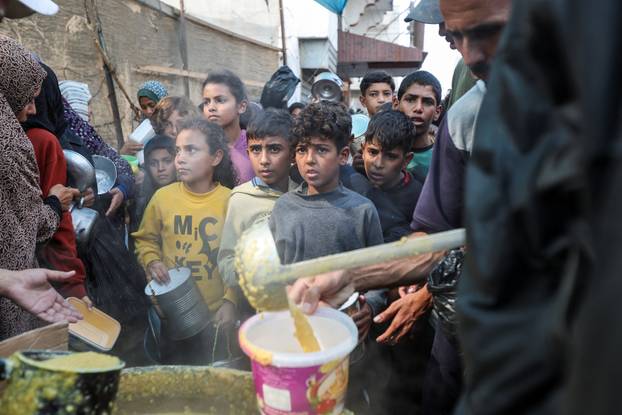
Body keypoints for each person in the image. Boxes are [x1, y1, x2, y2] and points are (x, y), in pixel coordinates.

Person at [289, 0, 511, 412]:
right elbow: (435, 240)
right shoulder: (469, 118)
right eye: (457, 35)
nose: (471, 54)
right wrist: (350, 277)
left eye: (488, 30)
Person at [0, 35, 80, 339]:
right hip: (10, 297)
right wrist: (54, 204)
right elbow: (27, 228)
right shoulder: (14, 146)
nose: (33, 109)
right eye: (27, 97)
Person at [133, 118, 238, 325]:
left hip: (217, 312)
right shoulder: (163, 198)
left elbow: (239, 259)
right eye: (178, 151)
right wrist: (152, 260)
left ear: (216, 157)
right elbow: (145, 240)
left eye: (191, 150)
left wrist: (230, 302)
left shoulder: (231, 201)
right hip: (172, 307)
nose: (180, 159)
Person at [268, 100, 383, 267]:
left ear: (343, 156)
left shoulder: (362, 211)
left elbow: (378, 277)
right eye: (302, 150)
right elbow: (271, 271)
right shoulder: (283, 207)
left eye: (321, 150)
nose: (309, 160)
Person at [21, 62, 92, 306]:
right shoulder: (43, 141)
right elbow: (58, 224)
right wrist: (74, 285)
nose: (31, 109)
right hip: (38, 273)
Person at [218, 109, 294, 299]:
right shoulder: (240, 199)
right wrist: (252, 268)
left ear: (293, 153)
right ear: (248, 152)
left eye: (274, 149)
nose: (264, 160)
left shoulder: (306, 194)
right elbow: (226, 262)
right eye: (256, 150)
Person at [62, 99, 135, 218]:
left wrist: (123, 188)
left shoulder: (81, 132)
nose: (91, 112)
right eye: (86, 106)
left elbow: (119, 164)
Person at [202, 69, 254, 184]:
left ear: (241, 106)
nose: (211, 107)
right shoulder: (200, 146)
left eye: (220, 100)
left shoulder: (255, 145)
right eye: (206, 102)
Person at [394, 70, 442, 181]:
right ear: (396, 104)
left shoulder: (444, 158)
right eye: (410, 100)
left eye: (427, 102)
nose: (418, 108)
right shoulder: (379, 154)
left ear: (437, 112)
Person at [120, 80, 169, 156]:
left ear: (162, 102)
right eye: (144, 107)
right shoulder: (144, 128)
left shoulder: (173, 127)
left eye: (152, 105)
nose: (148, 111)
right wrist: (124, 152)